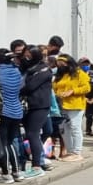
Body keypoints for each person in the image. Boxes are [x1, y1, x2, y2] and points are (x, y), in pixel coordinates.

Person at [0, 48, 25, 181]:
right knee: (10, 142)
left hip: (3, 111)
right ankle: (16, 172)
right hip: (17, 111)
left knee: (2, 143)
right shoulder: (17, 71)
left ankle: (6, 174)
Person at [19, 46, 52, 176]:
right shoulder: (27, 69)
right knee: (29, 135)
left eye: (29, 55)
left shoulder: (44, 70)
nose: (26, 58)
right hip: (28, 105)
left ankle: (37, 166)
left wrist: (17, 90)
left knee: (33, 134)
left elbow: (30, 86)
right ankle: (33, 163)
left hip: (40, 106)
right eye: (25, 55)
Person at [52, 54, 87, 161]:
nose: (60, 66)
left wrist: (72, 91)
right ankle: (70, 150)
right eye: (58, 65)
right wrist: (59, 93)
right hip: (62, 105)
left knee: (75, 127)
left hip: (76, 105)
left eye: (62, 64)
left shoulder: (79, 73)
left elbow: (86, 87)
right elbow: (55, 87)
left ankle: (77, 152)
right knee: (63, 129)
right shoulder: (60, 75)